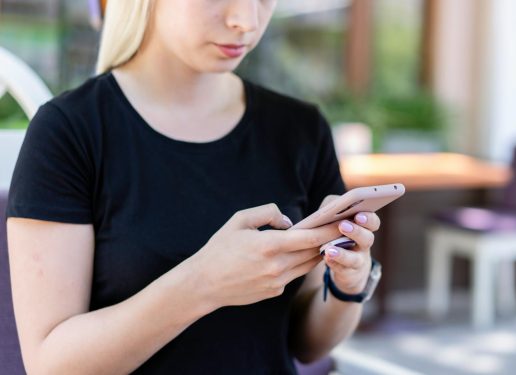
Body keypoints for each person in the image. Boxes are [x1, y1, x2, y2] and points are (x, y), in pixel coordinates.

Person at [5, 0, 381, 373]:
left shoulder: (301, 131)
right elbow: (50, 366)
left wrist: (348, 283)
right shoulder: (69, 132)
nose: (245, 22)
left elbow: (306, 346)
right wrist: (203, 283)